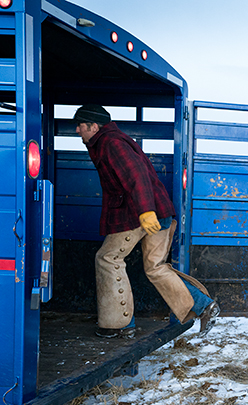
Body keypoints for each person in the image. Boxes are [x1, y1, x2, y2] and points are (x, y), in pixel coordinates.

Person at [74, 104, 220, 338]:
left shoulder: (111, 143)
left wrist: (145, 211)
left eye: (80, 125)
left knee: (107, 258)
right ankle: (204, 307)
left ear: (94, 126)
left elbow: (137, 176)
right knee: (156, 267)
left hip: (140, 213)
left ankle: (118, 324)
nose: (78, 130)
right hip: (157, 211)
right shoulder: (112, 140)